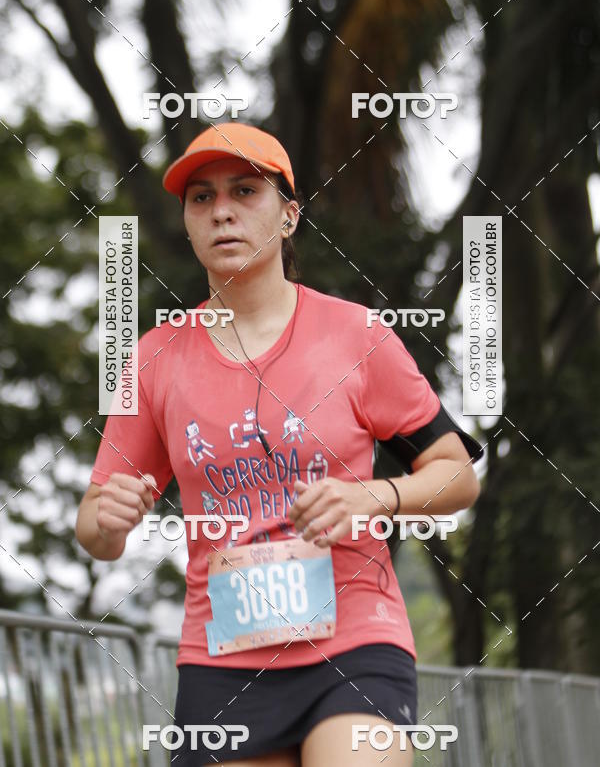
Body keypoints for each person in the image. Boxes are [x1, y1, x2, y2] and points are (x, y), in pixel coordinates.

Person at [76, 122, 483, 766]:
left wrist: (372, 495)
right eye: (201, 198)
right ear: (186, 221)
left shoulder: (357, 336)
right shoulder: (152, 360)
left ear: (289, 216)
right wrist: (108, 517)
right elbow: (95, 530)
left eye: (245, 191)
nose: (223, 211)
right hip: (223, 656)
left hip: (355, 640)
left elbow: (455, 474)